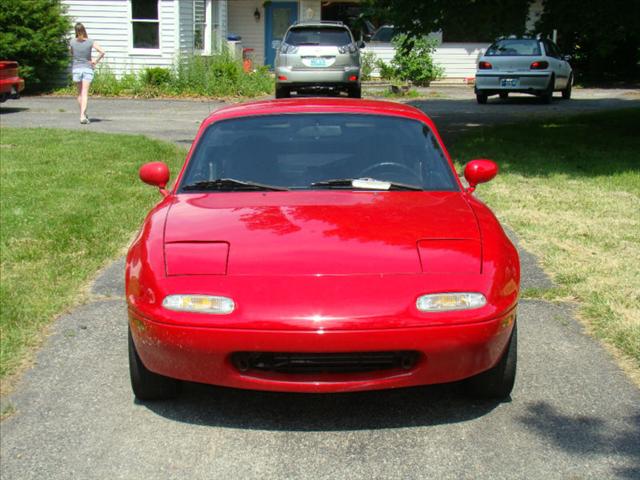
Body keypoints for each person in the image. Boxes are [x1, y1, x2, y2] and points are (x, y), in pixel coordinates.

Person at [70, 23, 105, 124]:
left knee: (79, 93)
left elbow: (71, 53)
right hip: (87, 68)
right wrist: (95, 61)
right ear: (84, 30)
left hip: (76, 68)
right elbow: (102, 52)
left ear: (75, 31)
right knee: (85, 92)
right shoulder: (90, 42)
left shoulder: (72, 42)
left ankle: (83, 114)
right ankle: (82, 115)